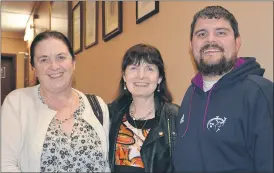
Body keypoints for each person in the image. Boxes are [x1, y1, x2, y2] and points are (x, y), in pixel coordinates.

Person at [173, 5, 273, 173]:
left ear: (237, 42)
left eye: (221, 32)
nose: (210, 40)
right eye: (202, 34)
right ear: (191, 45)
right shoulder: (190, 94)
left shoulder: (261, 93)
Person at [1, 31, 110, 172]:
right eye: (44, 60)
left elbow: (106, 164)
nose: (54, 66)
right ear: (34, 68)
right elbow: (5, 164)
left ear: (73, 62)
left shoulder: (97, 105)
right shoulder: (17, 103)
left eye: (61, 57)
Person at [108, 44, 179, 173]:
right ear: (124, 76)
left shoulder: (175, 117)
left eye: (149, 69)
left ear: (160, 78)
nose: (141, 76)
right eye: (134, 68)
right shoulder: (110, 115)